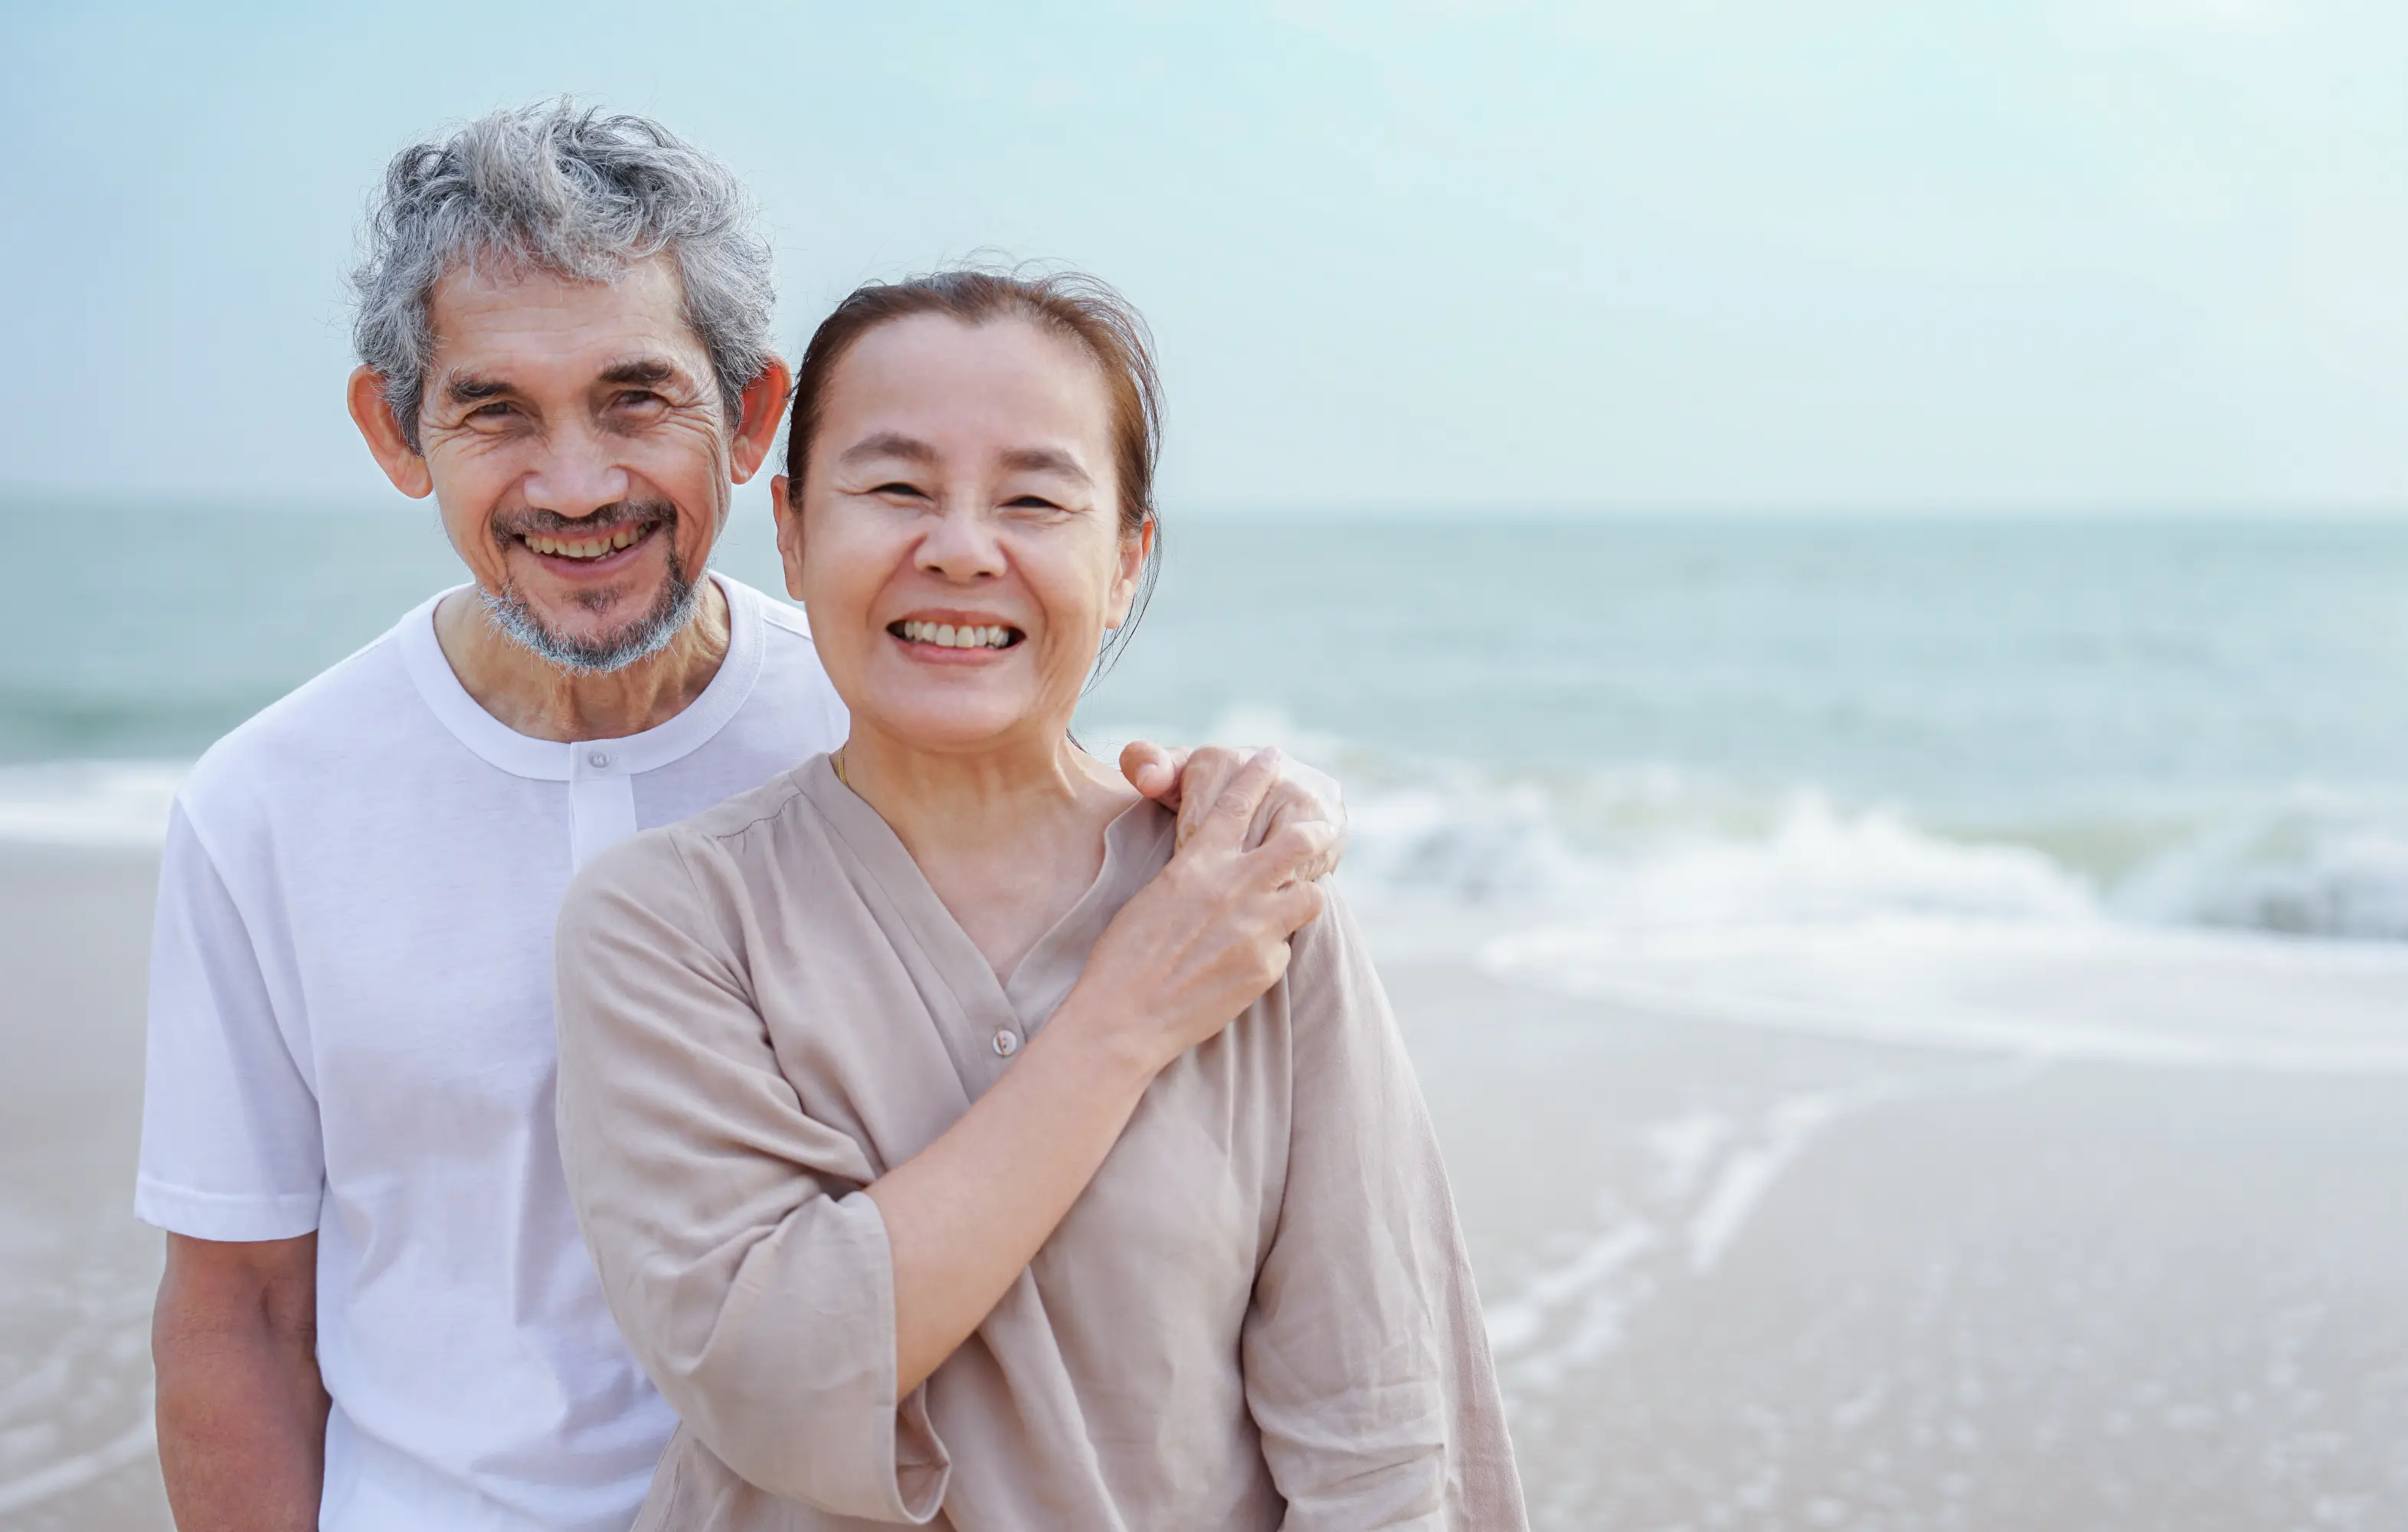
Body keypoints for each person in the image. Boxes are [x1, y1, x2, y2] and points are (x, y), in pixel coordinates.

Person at [136, 103, 1341, 1532]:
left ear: (755, 417)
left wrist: (1255, 817)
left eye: (637, 399)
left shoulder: (885, 723)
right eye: (495, 410)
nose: (577, 485)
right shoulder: (265, 806)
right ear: (397, 433)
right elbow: (241, 1315)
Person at [551, 268, 1525, 1530]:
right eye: (896, 488)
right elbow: (775, 1377)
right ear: (790, 531)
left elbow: (1379, 1439)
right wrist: (1126, 1014)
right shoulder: (669, 920)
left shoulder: (1248, 899)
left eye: (1034, 499)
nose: (960, 548)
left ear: (1126, 563)